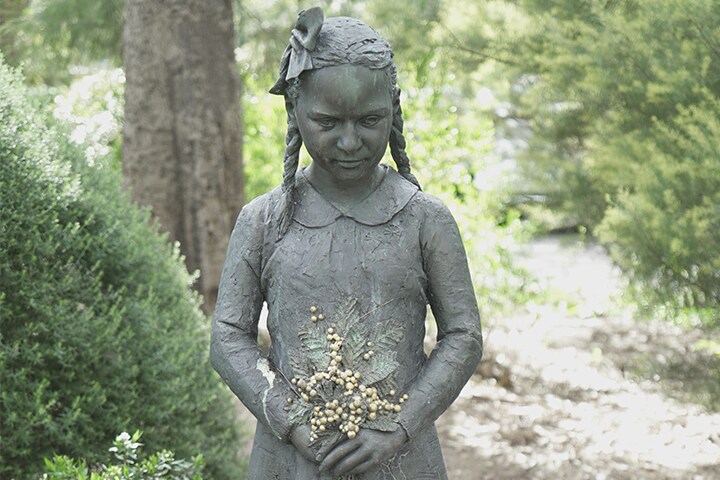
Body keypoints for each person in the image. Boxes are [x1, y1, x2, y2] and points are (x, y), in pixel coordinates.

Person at [211, 8, 482, 479]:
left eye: (370, 120)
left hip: (403, 461)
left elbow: (463, 335)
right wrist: (292, 420)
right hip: (291, 460)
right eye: (328, 122)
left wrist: (400, 426)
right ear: (295, 110)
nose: (351, 140)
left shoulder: (425, 220)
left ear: (394, 109)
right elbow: (227, 338)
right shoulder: (263, 221)